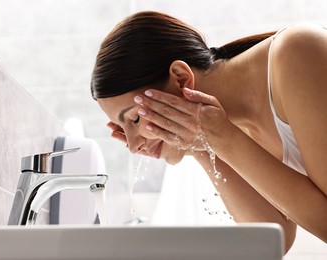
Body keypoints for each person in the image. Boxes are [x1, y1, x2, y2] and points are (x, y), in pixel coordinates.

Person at [90, 10, 327, 252]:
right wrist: (198, 143)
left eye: (136, 118)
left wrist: (225, 140)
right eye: (122, 129)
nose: (132, 146)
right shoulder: (223, 125)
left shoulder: (297, 51)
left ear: (181, 80)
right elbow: (272, 240)